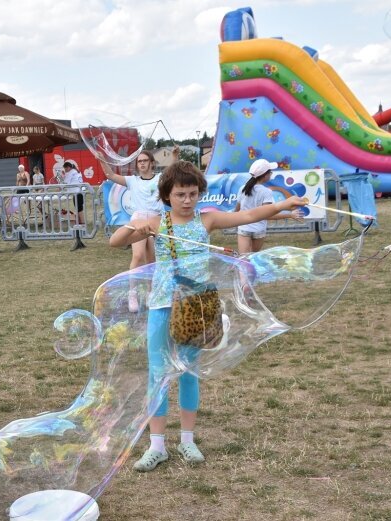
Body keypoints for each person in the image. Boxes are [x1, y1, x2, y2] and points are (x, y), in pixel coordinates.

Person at [109, 160, 306, 471]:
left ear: (200, 193)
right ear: (166, 196)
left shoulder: (207, 220)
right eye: (180, 195)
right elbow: (115, 242)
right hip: (162, 305)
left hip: (197, 306)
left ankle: (188, 440)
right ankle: (156, 445)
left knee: (189, 372)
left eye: (192, 194)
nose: (187, 201)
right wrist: (137, 227)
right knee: (157, 373)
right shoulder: (158, 223)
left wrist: (285, 203)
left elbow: (250, 215)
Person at [102, 147, 179, 311]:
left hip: (155, 220)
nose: (142, 164)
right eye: (139, 161)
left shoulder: (159, 178)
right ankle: (133, 294)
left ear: (152, 163)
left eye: (145, 161)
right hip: (138, 219)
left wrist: (174, 156)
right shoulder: (132, 180)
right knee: (137, 256)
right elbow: (110, 175)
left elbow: (172, 173)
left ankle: (152, 293)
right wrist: (101, 159)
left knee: (152, 260)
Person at [234, 159, 303, 253]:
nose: (271, 174)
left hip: (243, 228)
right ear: (265, 175)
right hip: (259, 230)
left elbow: (237, 210)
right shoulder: (266, 192)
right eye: (270, 172)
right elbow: (268, 215)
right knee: (253, 258)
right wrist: (290, 215)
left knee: (243, 259)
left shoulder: (243, 188)